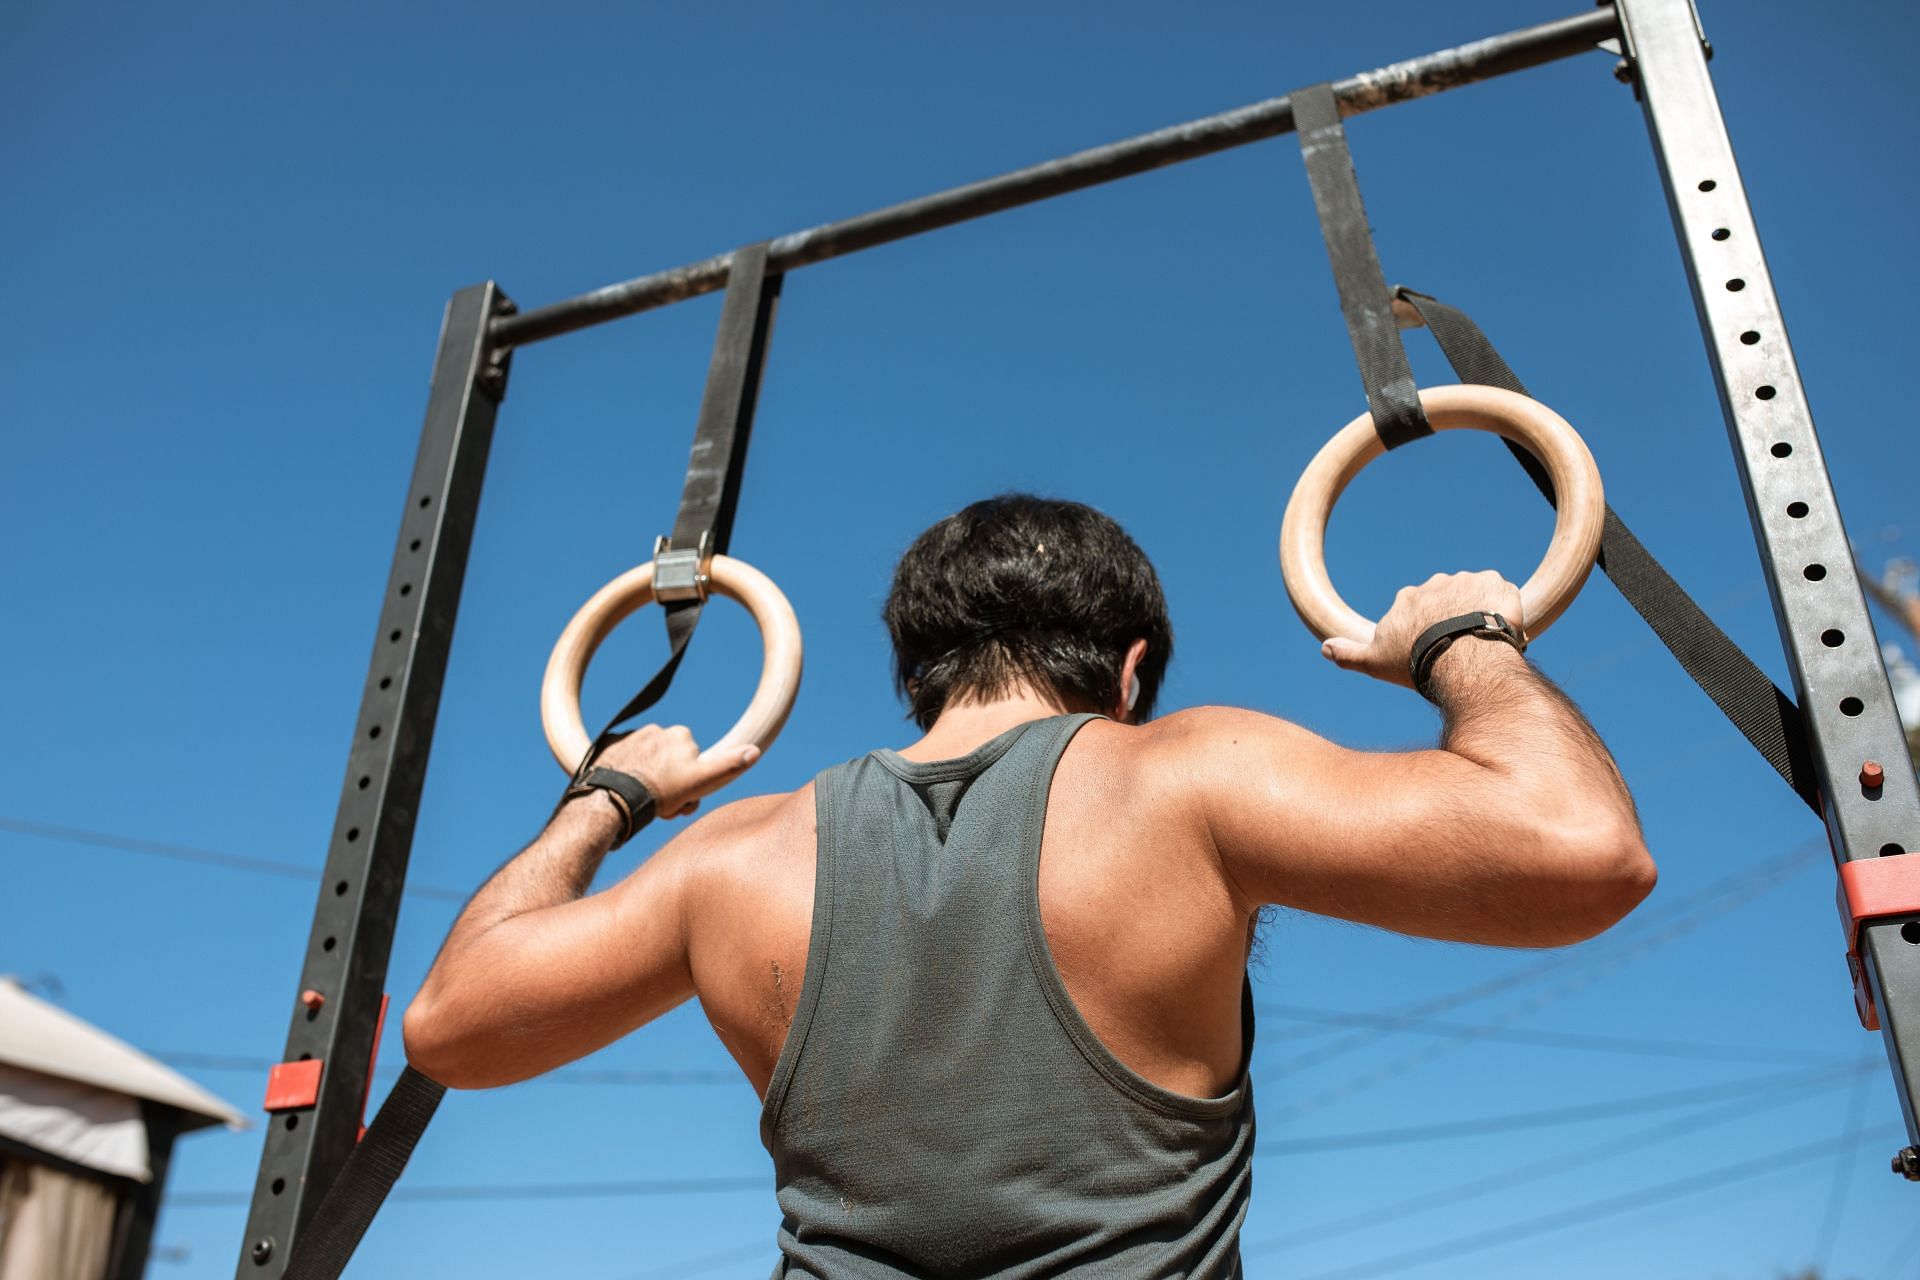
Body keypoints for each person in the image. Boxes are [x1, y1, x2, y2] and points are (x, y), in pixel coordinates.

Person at [403, 493, 1654, 1278]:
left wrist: (606, 794)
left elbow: (450, 1025)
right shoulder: (1183, 775)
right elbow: (1582, 851)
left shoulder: (733, 856)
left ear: (917, 674)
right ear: (1129, 668)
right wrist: (1463, 642)